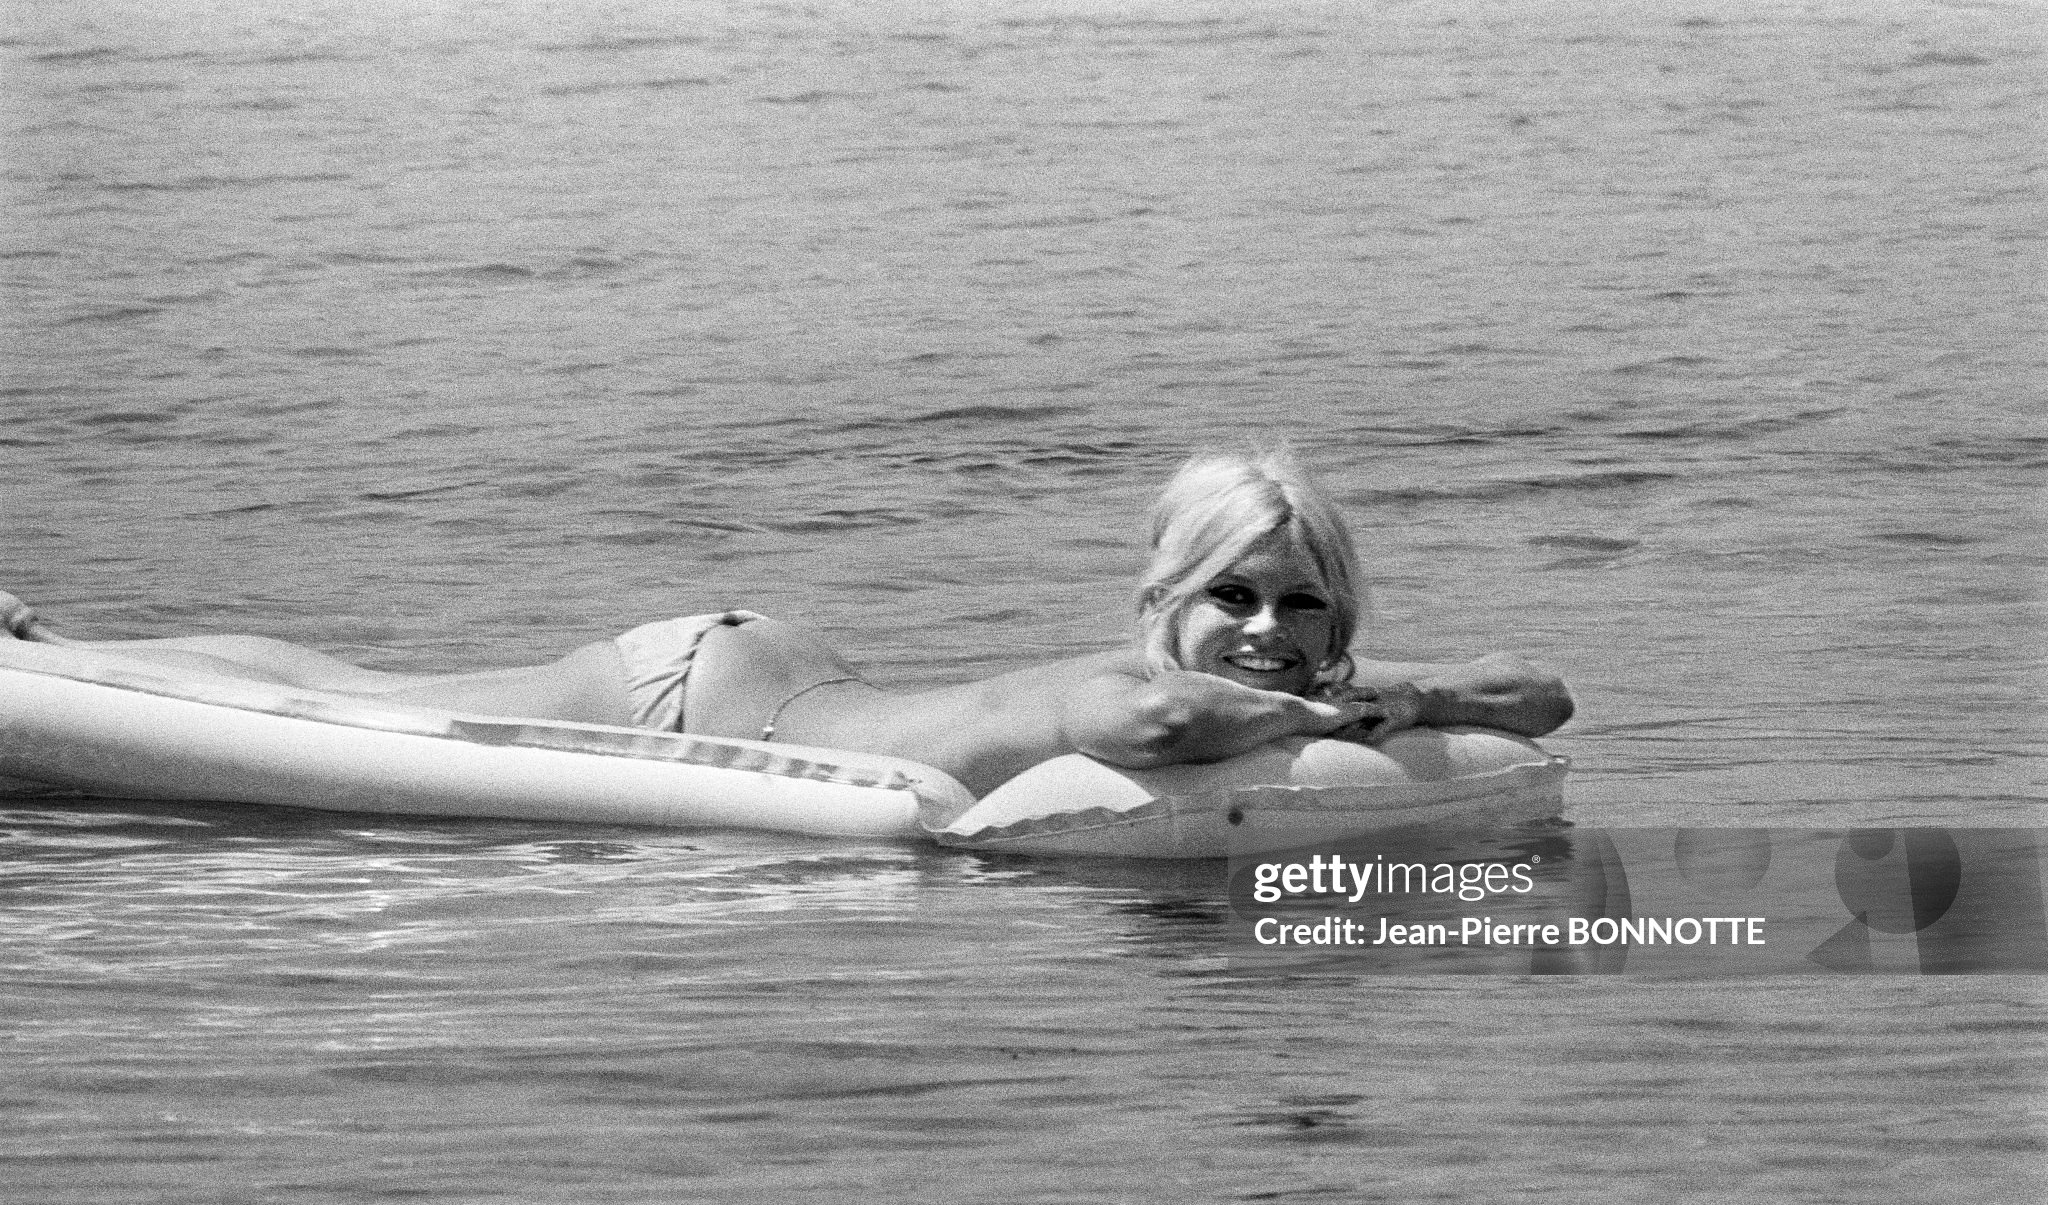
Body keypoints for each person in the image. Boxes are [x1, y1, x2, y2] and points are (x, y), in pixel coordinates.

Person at [1, 451, 1571, 796]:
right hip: (697, 701)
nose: (1264, 633)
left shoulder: (1305, 676)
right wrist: (1334, 710)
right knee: (357, 704)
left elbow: (1547, 698)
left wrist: (1388, 688)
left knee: (356, 685)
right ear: (1162, 602)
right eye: (1229, 598)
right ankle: (44, 651)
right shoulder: (1140, 685)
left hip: (802, 675)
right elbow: (1158, 723)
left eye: (1301, 607)